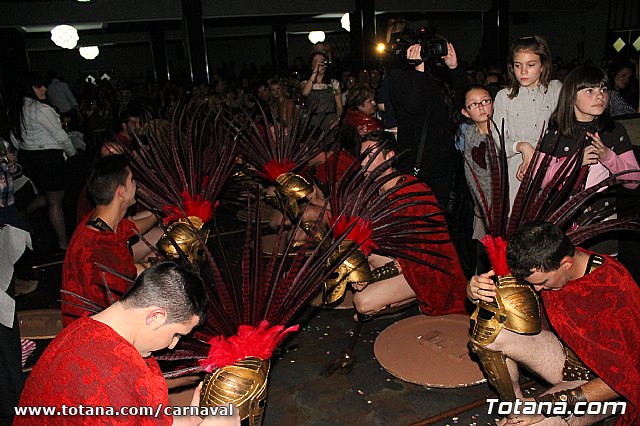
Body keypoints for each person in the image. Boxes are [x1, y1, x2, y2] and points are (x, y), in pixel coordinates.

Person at [15, 262, 240, 426]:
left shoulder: (79, 330)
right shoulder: (120, 370)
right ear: (155, 317)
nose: (172, 346)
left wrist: (188, 420)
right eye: (177, 334)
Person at [468, 222, 639, 425]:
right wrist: (474, 291)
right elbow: (498, 303)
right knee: (490, 332)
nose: (538, 289)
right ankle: (515, 406)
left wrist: (544, 406)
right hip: (568, 359)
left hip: (604, 386)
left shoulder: (612, 288)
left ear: (567, 263)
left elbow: (628, 379)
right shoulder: (541, 264)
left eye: (544, 282)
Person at [352, 131, 468, 317]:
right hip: (400, 262)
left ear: (389, 157)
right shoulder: (374, 192)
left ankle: (408, 298)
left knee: (362, 301)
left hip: (426, 270)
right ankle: (392, 297)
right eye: (363, 156)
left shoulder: (412, 192)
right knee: (363, 259)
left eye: (371, 155)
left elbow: (424, 254)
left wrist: (374, 276)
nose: (364, 162)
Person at [61, 154, 162, 326]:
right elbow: (130, 280)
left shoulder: (98, 220)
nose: (136, 185)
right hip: (94, 330)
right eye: (132, 180)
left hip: (103, 312)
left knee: (160, 235)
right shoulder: (100, 246)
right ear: (121, 192)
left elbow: (134, 225)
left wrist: (162, 211)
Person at [539, 64, 639, 192]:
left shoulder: (613, 130)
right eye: (590, 91)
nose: (600, 96)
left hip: (602, 210)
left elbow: (634, 181)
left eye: (603, 90)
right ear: (572, 96)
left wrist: (608, 157)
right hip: (563, 211)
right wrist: (575, 162)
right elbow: (540, 180)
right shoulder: (556, 132)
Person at [491, 35, 562, 208]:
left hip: (551, 167)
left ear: (543, 65)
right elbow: (497, 139)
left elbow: (566, 129)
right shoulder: (504, 96)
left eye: (531, 65)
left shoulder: (555, 90)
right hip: (516, 170)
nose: (523, 72)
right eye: (517, 65)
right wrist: (521, 146)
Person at [8, 72, 76, 252]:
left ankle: (25, 212)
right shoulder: (40, 109)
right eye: (39, 86)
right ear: (30, 88)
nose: (44, 89)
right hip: (47, 158)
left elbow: (14, 138)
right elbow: (60, 136)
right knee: (56, 201)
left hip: (29, 157)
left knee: (50, 196)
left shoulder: (17, 107)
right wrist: (72, 153)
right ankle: (63, 244)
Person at [460, 85, 495, 273]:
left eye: (485, 101)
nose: (481, 107)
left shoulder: (502, 132)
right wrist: (480, 204)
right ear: (465, 112)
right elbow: (469, 170)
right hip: (482, 207)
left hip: (505, 207)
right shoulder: (470, 133)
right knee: (484, 256)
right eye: (474, 104)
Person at [301, 51, 343, 131]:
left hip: (329, 121)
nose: (320, 63)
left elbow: (339, 106)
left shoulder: (333, 84)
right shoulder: (306, 83)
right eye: (316, 61)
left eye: (322, 60)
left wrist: (337, 118)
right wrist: (315, 73)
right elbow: (305, 93)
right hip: (312, 122)